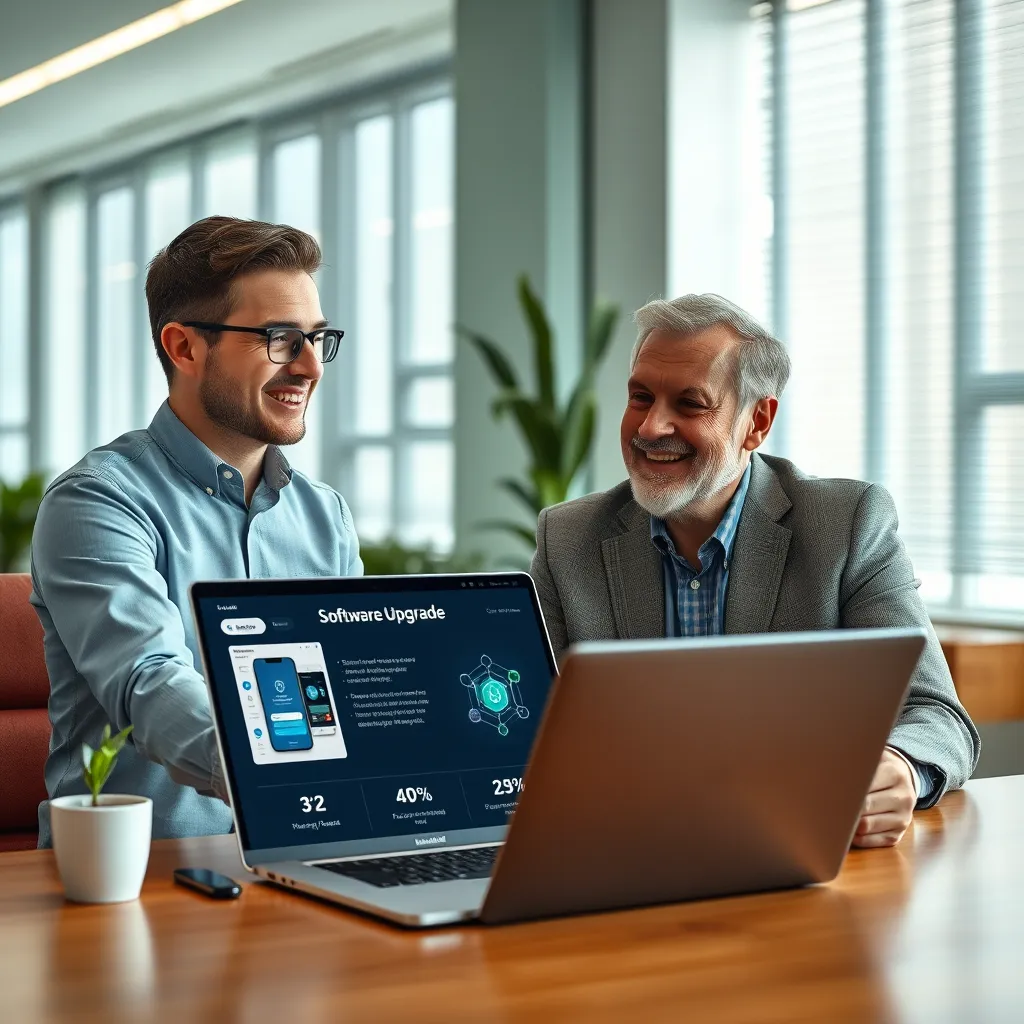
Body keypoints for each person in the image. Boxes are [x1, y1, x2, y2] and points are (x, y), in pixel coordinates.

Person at [530, 293, 979, 849]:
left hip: (788, 854)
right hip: (623, 849)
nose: (651, 427)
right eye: (640, 397)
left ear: (756, 422)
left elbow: (936, 713)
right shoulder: (569, 539)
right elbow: (527, 725)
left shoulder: (846, 526)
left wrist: (901, 768)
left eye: (691, 405)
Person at [31, 216, 362, 846]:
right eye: (280, 339)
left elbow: (351, 693)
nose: (311, 367)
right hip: (146, 878)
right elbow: (150, 681)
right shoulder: (98, 501)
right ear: (185, 348)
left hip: (309, 856)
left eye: (319, 339)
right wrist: (289, 777)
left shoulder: (325, 516)